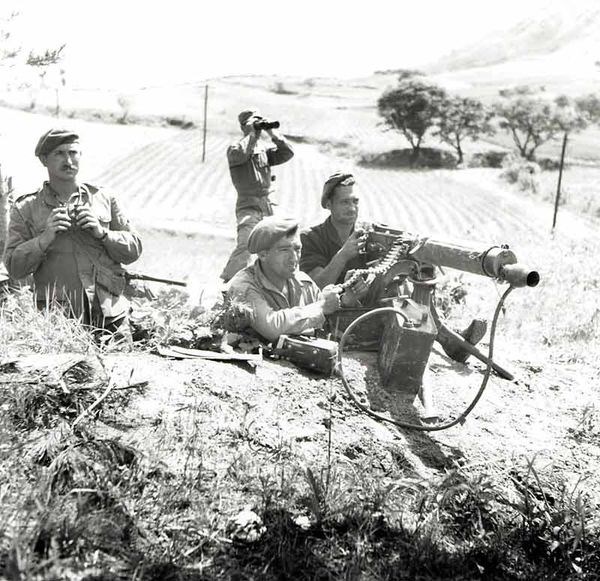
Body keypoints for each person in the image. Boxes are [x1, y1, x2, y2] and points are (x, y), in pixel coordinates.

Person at [3, 128, 142, 338]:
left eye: (73, 153)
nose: (68, 160)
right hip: (58, 323)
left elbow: (134, 250)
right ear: (44, 160)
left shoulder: (104, 198)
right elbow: (14, 267)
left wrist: (102, 233)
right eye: (59, 153)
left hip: (112, 316)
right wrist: (44, 239)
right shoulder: (26, 208)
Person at [226, 216, 352, 343]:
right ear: (263, 254)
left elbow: (327, 321)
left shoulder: (303, 283)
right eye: (284, 250)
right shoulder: (244, 286)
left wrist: (346, 300)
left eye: (297, 249)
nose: (294, 258)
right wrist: (321, 305)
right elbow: (271, 327)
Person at [220, 110, 294, 283]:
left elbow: (287, 153)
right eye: (253, 123)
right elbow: (241, 154)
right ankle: (229, 283)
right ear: (243, 126)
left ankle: (278, 279)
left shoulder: (263, 151)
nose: (258, 127)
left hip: (268, 205)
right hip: (249, 206)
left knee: (283, 242)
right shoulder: (236, 149)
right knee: (246, 244)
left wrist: (272, 133)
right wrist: (252, 134)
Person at [300, 171, 371, 303]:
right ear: (328, 204)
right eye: (344, 202)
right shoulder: (311, 238)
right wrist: (343, 255)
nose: (352, 208)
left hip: (371, 309)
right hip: (329, 314)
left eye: (355, 201)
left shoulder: (370, 233)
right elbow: (315, 288)